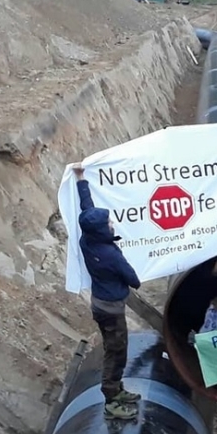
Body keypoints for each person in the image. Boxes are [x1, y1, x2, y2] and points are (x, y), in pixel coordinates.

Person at [72, 164, 142, 420]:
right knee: (116, 352)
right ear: (102, 230)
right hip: (112, 311)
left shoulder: (88, 240)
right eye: (109, 222)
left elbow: (86, 207)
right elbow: (133, 279)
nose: (112, 224)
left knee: (116, 349)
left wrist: (81, 179)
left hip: (100, 305)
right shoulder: (110, 255)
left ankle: (117, 389)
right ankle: (111, 401)